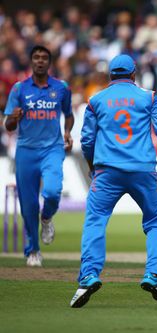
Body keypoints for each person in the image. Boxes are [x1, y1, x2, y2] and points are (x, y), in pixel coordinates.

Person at [70, 54, 157, 308]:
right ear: (134, 74)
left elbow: (87, 140)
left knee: (95, 221)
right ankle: (154, 276)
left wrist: (93, 167)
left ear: (110, 76)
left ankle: (88, 276)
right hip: (143, 170)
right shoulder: (149, 97)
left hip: (107, 172)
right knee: (156, 222)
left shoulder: (96, 100)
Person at [3, 45, 74, 267]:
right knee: (28, 205)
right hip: (26, 150)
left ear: (49, 62)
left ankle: (47, 217)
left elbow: (69, 114)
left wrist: (67, 132)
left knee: (52, 192)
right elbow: (9, 125)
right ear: (31, 61)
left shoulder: (61, 87)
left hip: (52, 149)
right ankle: (33, 249)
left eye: (44, 58)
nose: (40, 61)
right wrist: (14, 118)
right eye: (36, 57)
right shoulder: (19, 89)